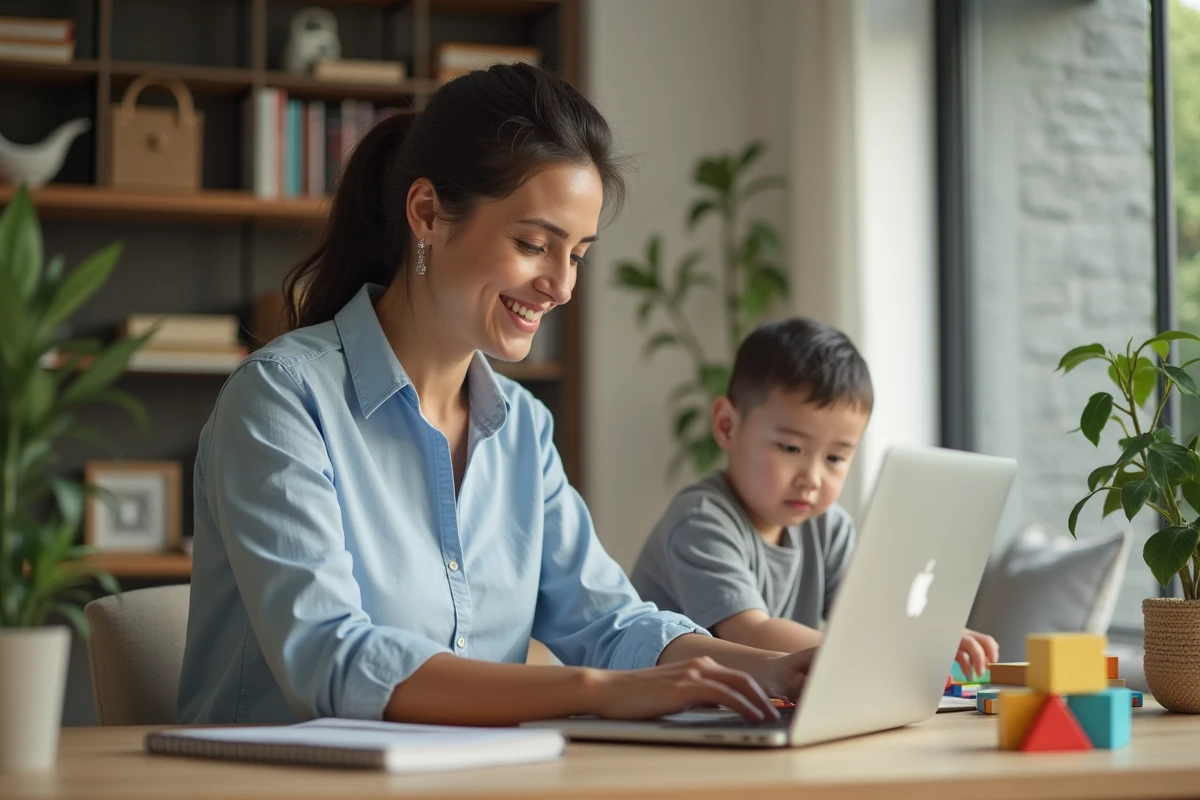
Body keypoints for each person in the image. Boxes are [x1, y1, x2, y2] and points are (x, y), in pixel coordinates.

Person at [177, 64, 815, 727]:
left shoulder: (521, 431)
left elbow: (611, 622)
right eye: (534, 244)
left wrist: (767, 667)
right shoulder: (281, 399)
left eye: (577, 256)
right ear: (426, 214)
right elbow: (331, 659)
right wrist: (595, 693)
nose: (561, 287)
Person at [630, 318, 999, 679]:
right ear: (727, 425)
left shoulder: (829, 526)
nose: (812, 478)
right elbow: (750, 631)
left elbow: (864, 620)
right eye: (791, 447)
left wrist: (925, 638)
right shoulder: (700, 520)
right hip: (672, 714)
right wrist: (873, 654)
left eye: (835, 458)